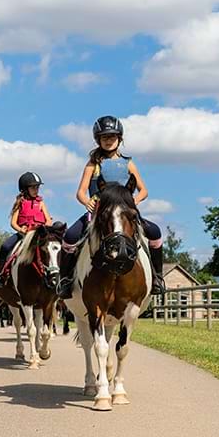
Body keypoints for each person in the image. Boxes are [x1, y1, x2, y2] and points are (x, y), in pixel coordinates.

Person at [57, 115, 165, 299]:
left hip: (124, 212)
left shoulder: (128, 163)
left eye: (112, 137)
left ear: (119, 139)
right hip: (100, 212)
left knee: (155, 233)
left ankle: (156, 277)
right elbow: (81, 192)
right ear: (98, 140)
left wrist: (134, 201)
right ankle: (65, 280)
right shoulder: (93, 164)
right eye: (104, 137)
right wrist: (87, 201)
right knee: (70, 237)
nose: (108, 140)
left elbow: (143, 190)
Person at [0, 171, 53, 286]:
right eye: (33, 187)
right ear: (25, 189)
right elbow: (13, 223)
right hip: (24, 235)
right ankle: (0, 275)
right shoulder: (20, 203)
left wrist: (45, 226)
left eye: (37, 187)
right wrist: (21, 230)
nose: (36, 190)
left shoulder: (40, 203)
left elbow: (48, 220)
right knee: (5, 246)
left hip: (39, 234)